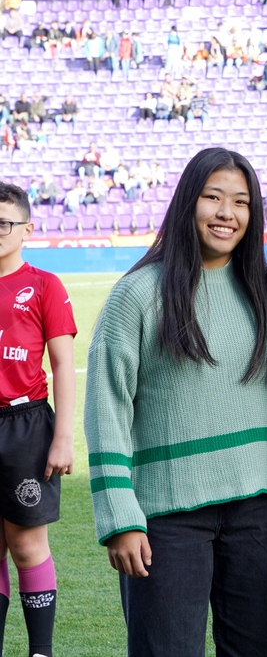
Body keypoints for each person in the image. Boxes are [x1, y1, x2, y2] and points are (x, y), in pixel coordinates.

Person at [84, 148, 267, 657]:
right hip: (166, 518)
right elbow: (106, 406)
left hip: (258, 510)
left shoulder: (262, 291)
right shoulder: (137, 294)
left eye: (241, 202)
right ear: (186, 203)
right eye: (212, 197)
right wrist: (119, 517)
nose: (227, 213)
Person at [0, 183, 76, 657]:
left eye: (4, 223)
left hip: (25, 425)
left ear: (27, 229)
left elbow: (63, 365)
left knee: (27, 546)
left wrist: (62, 437)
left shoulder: (44, 284)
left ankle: (40, 651)